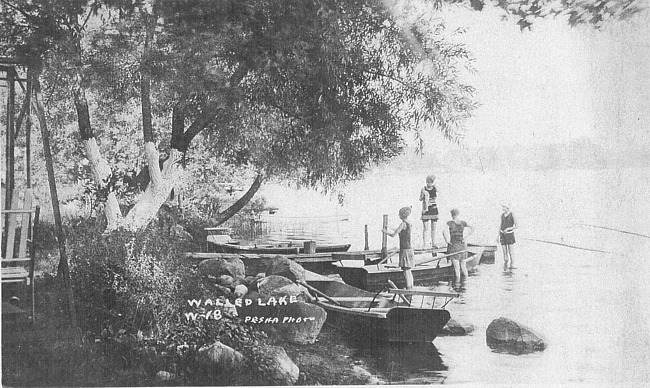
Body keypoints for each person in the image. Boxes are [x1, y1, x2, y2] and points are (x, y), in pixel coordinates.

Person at [383, 206, 415, 290]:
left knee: (405, 270)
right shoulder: (408, 223)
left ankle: (408, 288)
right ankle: (411, 287)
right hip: (409, 249)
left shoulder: (403, 224)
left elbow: (394, 234)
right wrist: (389, 227)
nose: (398, 215)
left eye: (399, 214)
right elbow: (398, 230)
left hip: (404, 250)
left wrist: (385, 231)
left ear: (402, 215)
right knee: (409, 270)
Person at [443, 208, 474, 279]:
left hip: (454, 245)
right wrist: (466, 237)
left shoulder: (449, 223)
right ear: (458, 214)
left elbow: (444, 232)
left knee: (457, 268)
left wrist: (447, 241)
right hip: (462, 245)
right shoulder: (462, 222)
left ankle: (457, 284)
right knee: (463, 266)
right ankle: (466, 281)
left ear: (451, 215)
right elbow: (472, 228)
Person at [420, 175, 439, 249]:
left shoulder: (435, 188)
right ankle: (425, 244)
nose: (429, 184)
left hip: (434, 208)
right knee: (425, 228)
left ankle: (434, 243)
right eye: (427, 182)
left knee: (433, 228)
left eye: (430, 182)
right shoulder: (423, 188)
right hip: (426, 209)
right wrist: (423, 195)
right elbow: (420, 199)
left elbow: (440, 192)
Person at [497, 204, 518, 269]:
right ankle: (505, 264)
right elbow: (501, 225)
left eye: (504, 207)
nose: (503, 209)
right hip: (502, 234)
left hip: (509, 234)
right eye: (502, 207)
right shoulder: (502, 215)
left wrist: (508, 228)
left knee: (510, 251)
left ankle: (512, 264)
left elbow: (516, 226)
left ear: (507, 208)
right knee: (504, 251)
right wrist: (498, 236)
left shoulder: (512, 214)